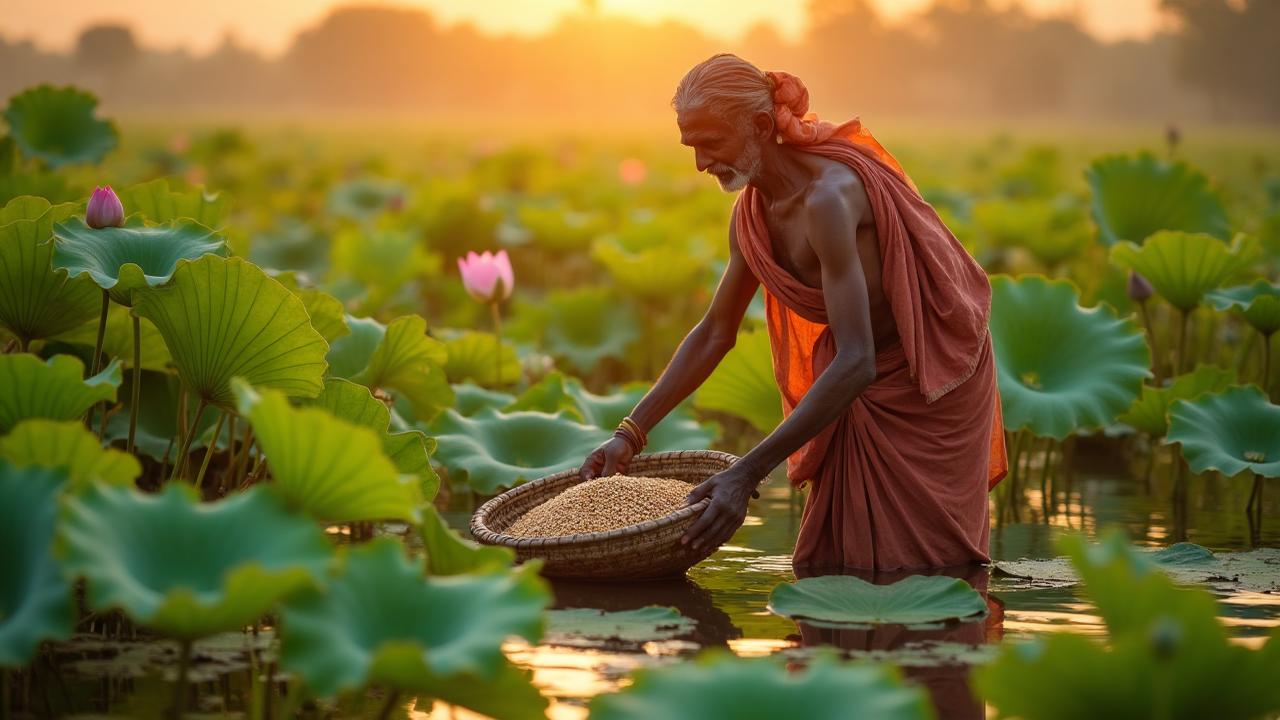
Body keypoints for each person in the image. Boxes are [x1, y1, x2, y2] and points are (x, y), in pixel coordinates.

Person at [577, 53, 1007, 571]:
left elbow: (857, 359)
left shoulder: (830, 199)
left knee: (921, 563)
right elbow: (716, 331)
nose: (699, 163)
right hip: (851, 376)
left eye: (710, 143)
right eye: (690, 147)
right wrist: (629, 434)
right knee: (833, 562)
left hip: (921, 378)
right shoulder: (751, 214)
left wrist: (745, 473)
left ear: (761, 126)